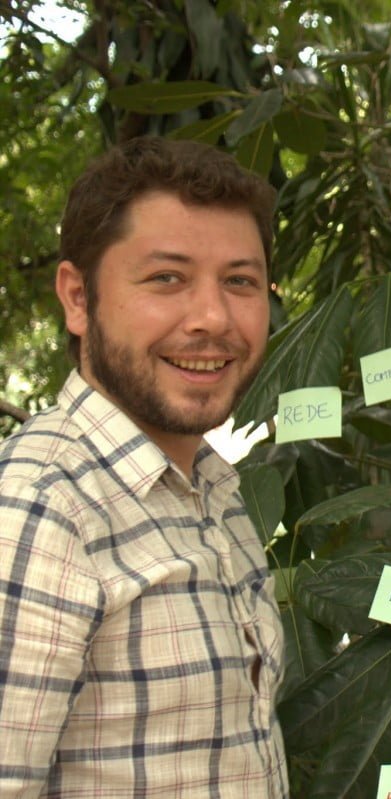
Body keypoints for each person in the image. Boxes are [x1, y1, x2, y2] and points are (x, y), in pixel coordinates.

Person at [0, 137, 287, 796]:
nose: (213, 318)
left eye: (240, 281)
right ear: (77, 298)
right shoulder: (41, 507)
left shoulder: (213, 488)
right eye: (167, 278)